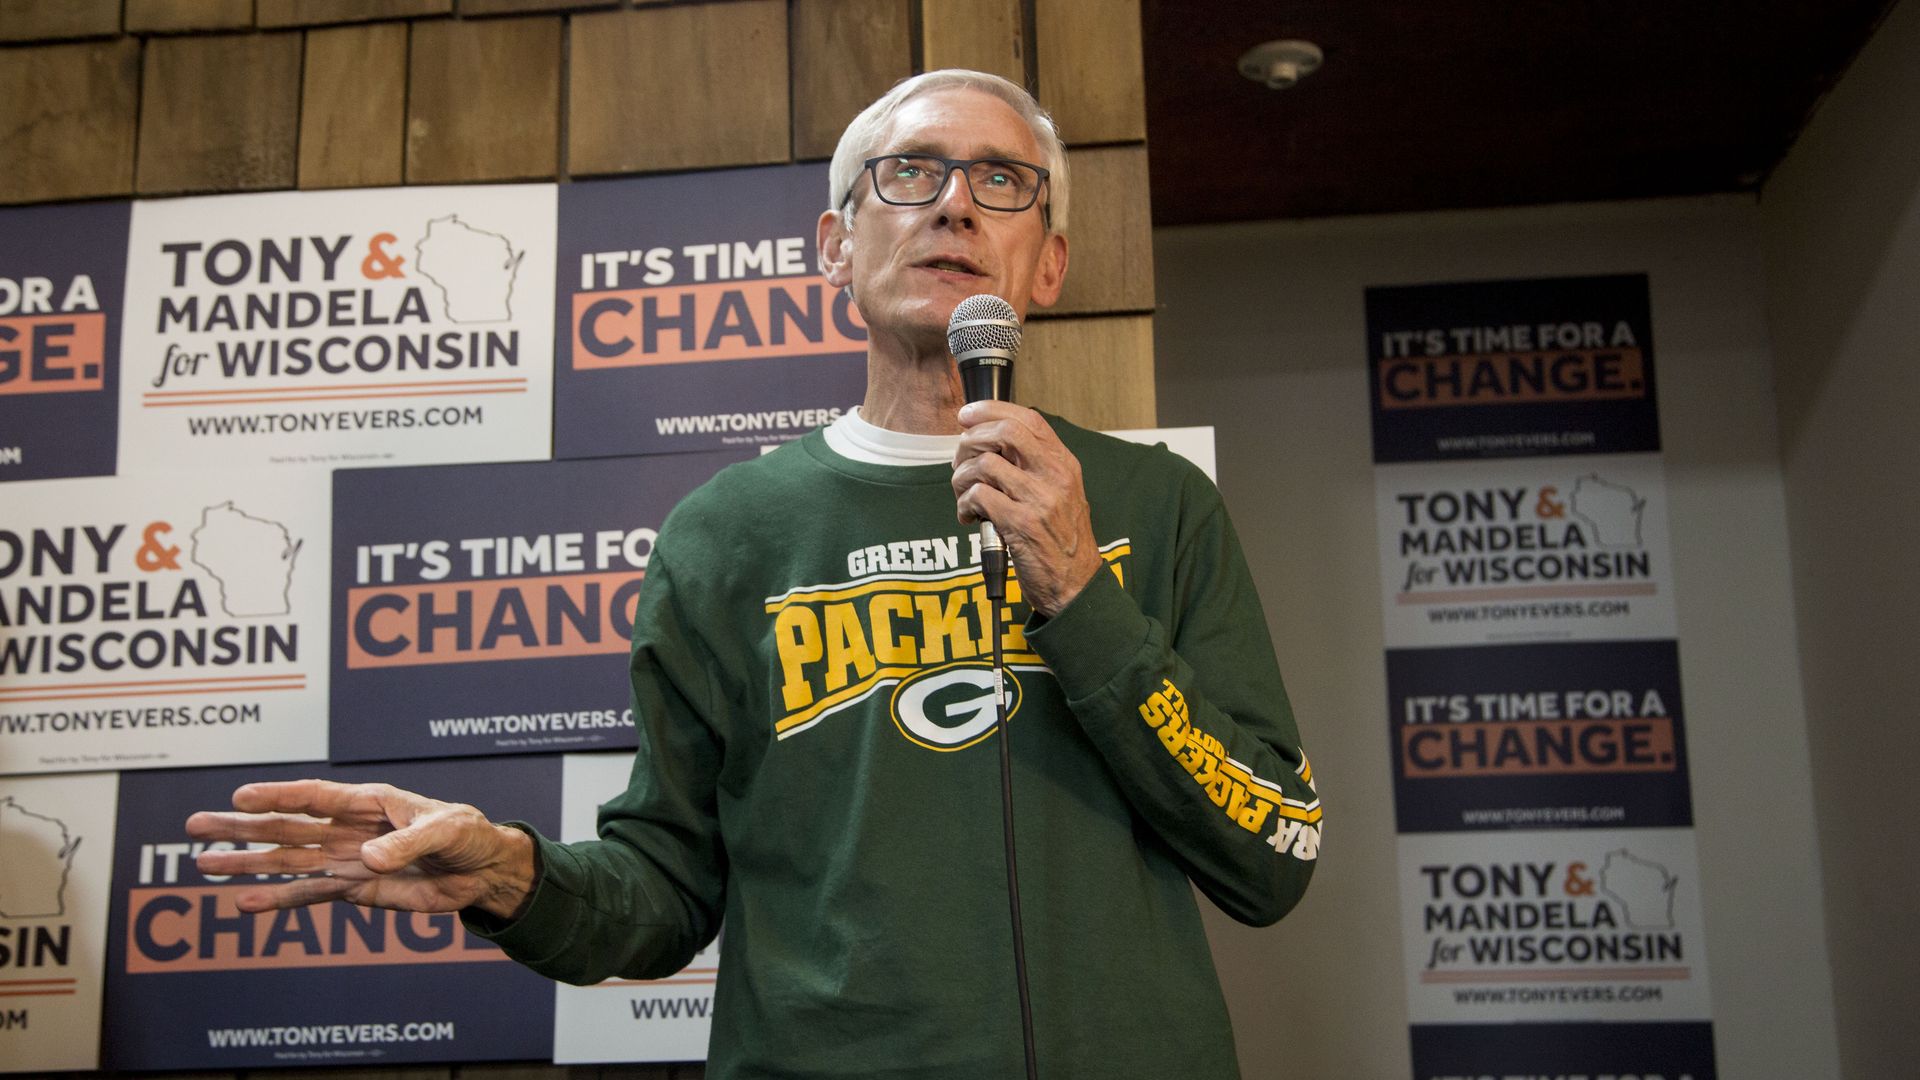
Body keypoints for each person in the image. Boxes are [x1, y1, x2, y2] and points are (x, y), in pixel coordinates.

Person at [188, 69, 1322, 1079]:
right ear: (835, 244)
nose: (956, 202)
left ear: (1051, 264)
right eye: (911, 172)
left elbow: (1273, 851)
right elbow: (665, 889)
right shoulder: (726, 533)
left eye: (1002, 182)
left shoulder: (1154, 504)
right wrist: (513, 875)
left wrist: (1081, 593)